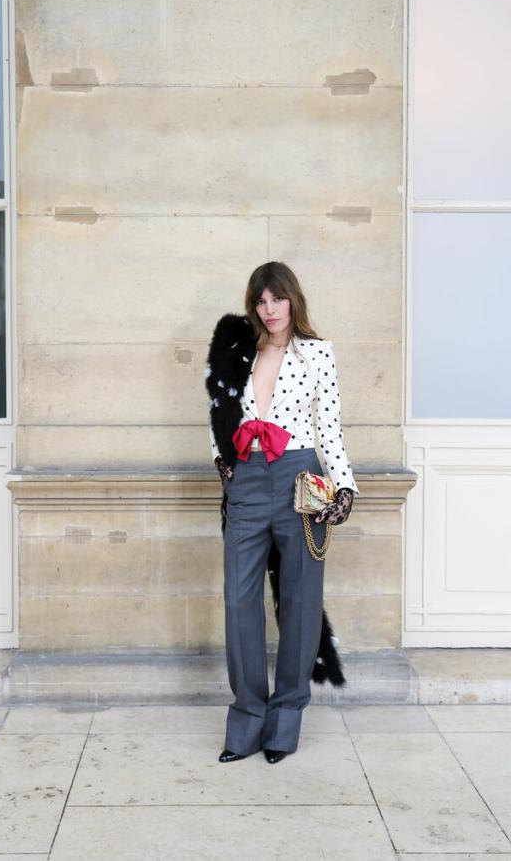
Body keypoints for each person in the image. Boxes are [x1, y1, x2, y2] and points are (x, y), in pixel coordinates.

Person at [205, 261, 359, 764]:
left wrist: (344, 486)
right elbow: (219, 409)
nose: (269, 309)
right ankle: (247, 719)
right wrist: (222, 459)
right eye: (260, 300)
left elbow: (328, 426)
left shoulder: (317, 354)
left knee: (300, 600)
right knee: (239, 601)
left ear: (293, 298)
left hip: (300, 478)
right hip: (247, 479)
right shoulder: (238, 351)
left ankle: (285, 720)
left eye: (277, 298)